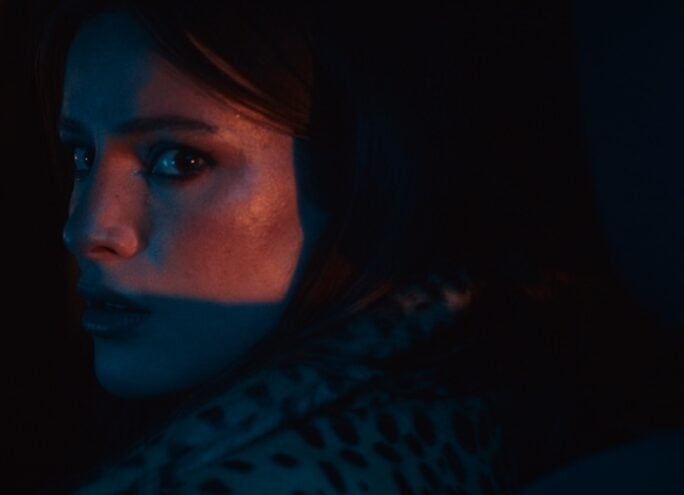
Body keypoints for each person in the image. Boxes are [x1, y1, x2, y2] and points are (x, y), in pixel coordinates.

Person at [34, 0, 667, 493]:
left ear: (356, 180)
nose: (86, 229)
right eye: (82, 155)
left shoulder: (296, 474)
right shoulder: (456, 409)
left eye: (179, 160)